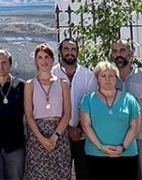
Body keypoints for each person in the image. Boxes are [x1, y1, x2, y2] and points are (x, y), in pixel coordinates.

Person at [79, 61, 141, 179]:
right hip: (96, 155)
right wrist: (101, 147)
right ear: (97, 78)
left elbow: (134, 126)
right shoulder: (88, 100)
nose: (107, 79)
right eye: (103, 76)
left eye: (111, 75)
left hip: (126, 155)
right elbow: (86, 126)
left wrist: (123, 147)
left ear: (116, 78)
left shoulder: (129, 99)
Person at [24, 43, 71, 180]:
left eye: (47, 57)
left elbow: (67, 114)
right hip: (37, 136)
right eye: (40, 57)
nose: (44, 61)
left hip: (58, 135)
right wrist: (41, 138)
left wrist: (55, 137)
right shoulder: (30, 84)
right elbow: (29, 115)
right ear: (36, 61)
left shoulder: (63, 83)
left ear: (53, 59)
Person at [53, 38, 96, 180]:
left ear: (77, 52)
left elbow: (91, 104)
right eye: (66, 49)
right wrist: (67, 129)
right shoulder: (52, 74)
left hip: (82, 135)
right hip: (59, 135)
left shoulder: (87, 75)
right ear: (60, 52)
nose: (69, 53)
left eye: (73, 49)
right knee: (60, 175)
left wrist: (79, 128)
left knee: (84, 174)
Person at [111, 39, 142, 180]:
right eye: (115, 51)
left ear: (131, 53)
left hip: (140, 137)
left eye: (122, 50)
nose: (119, 54)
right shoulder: (109, 78)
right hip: (116, 138)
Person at [0, 49, 25, 180]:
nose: (0, 66)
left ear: (10, 64)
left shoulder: (21, 85)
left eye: (4, 62)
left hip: (15, 146)